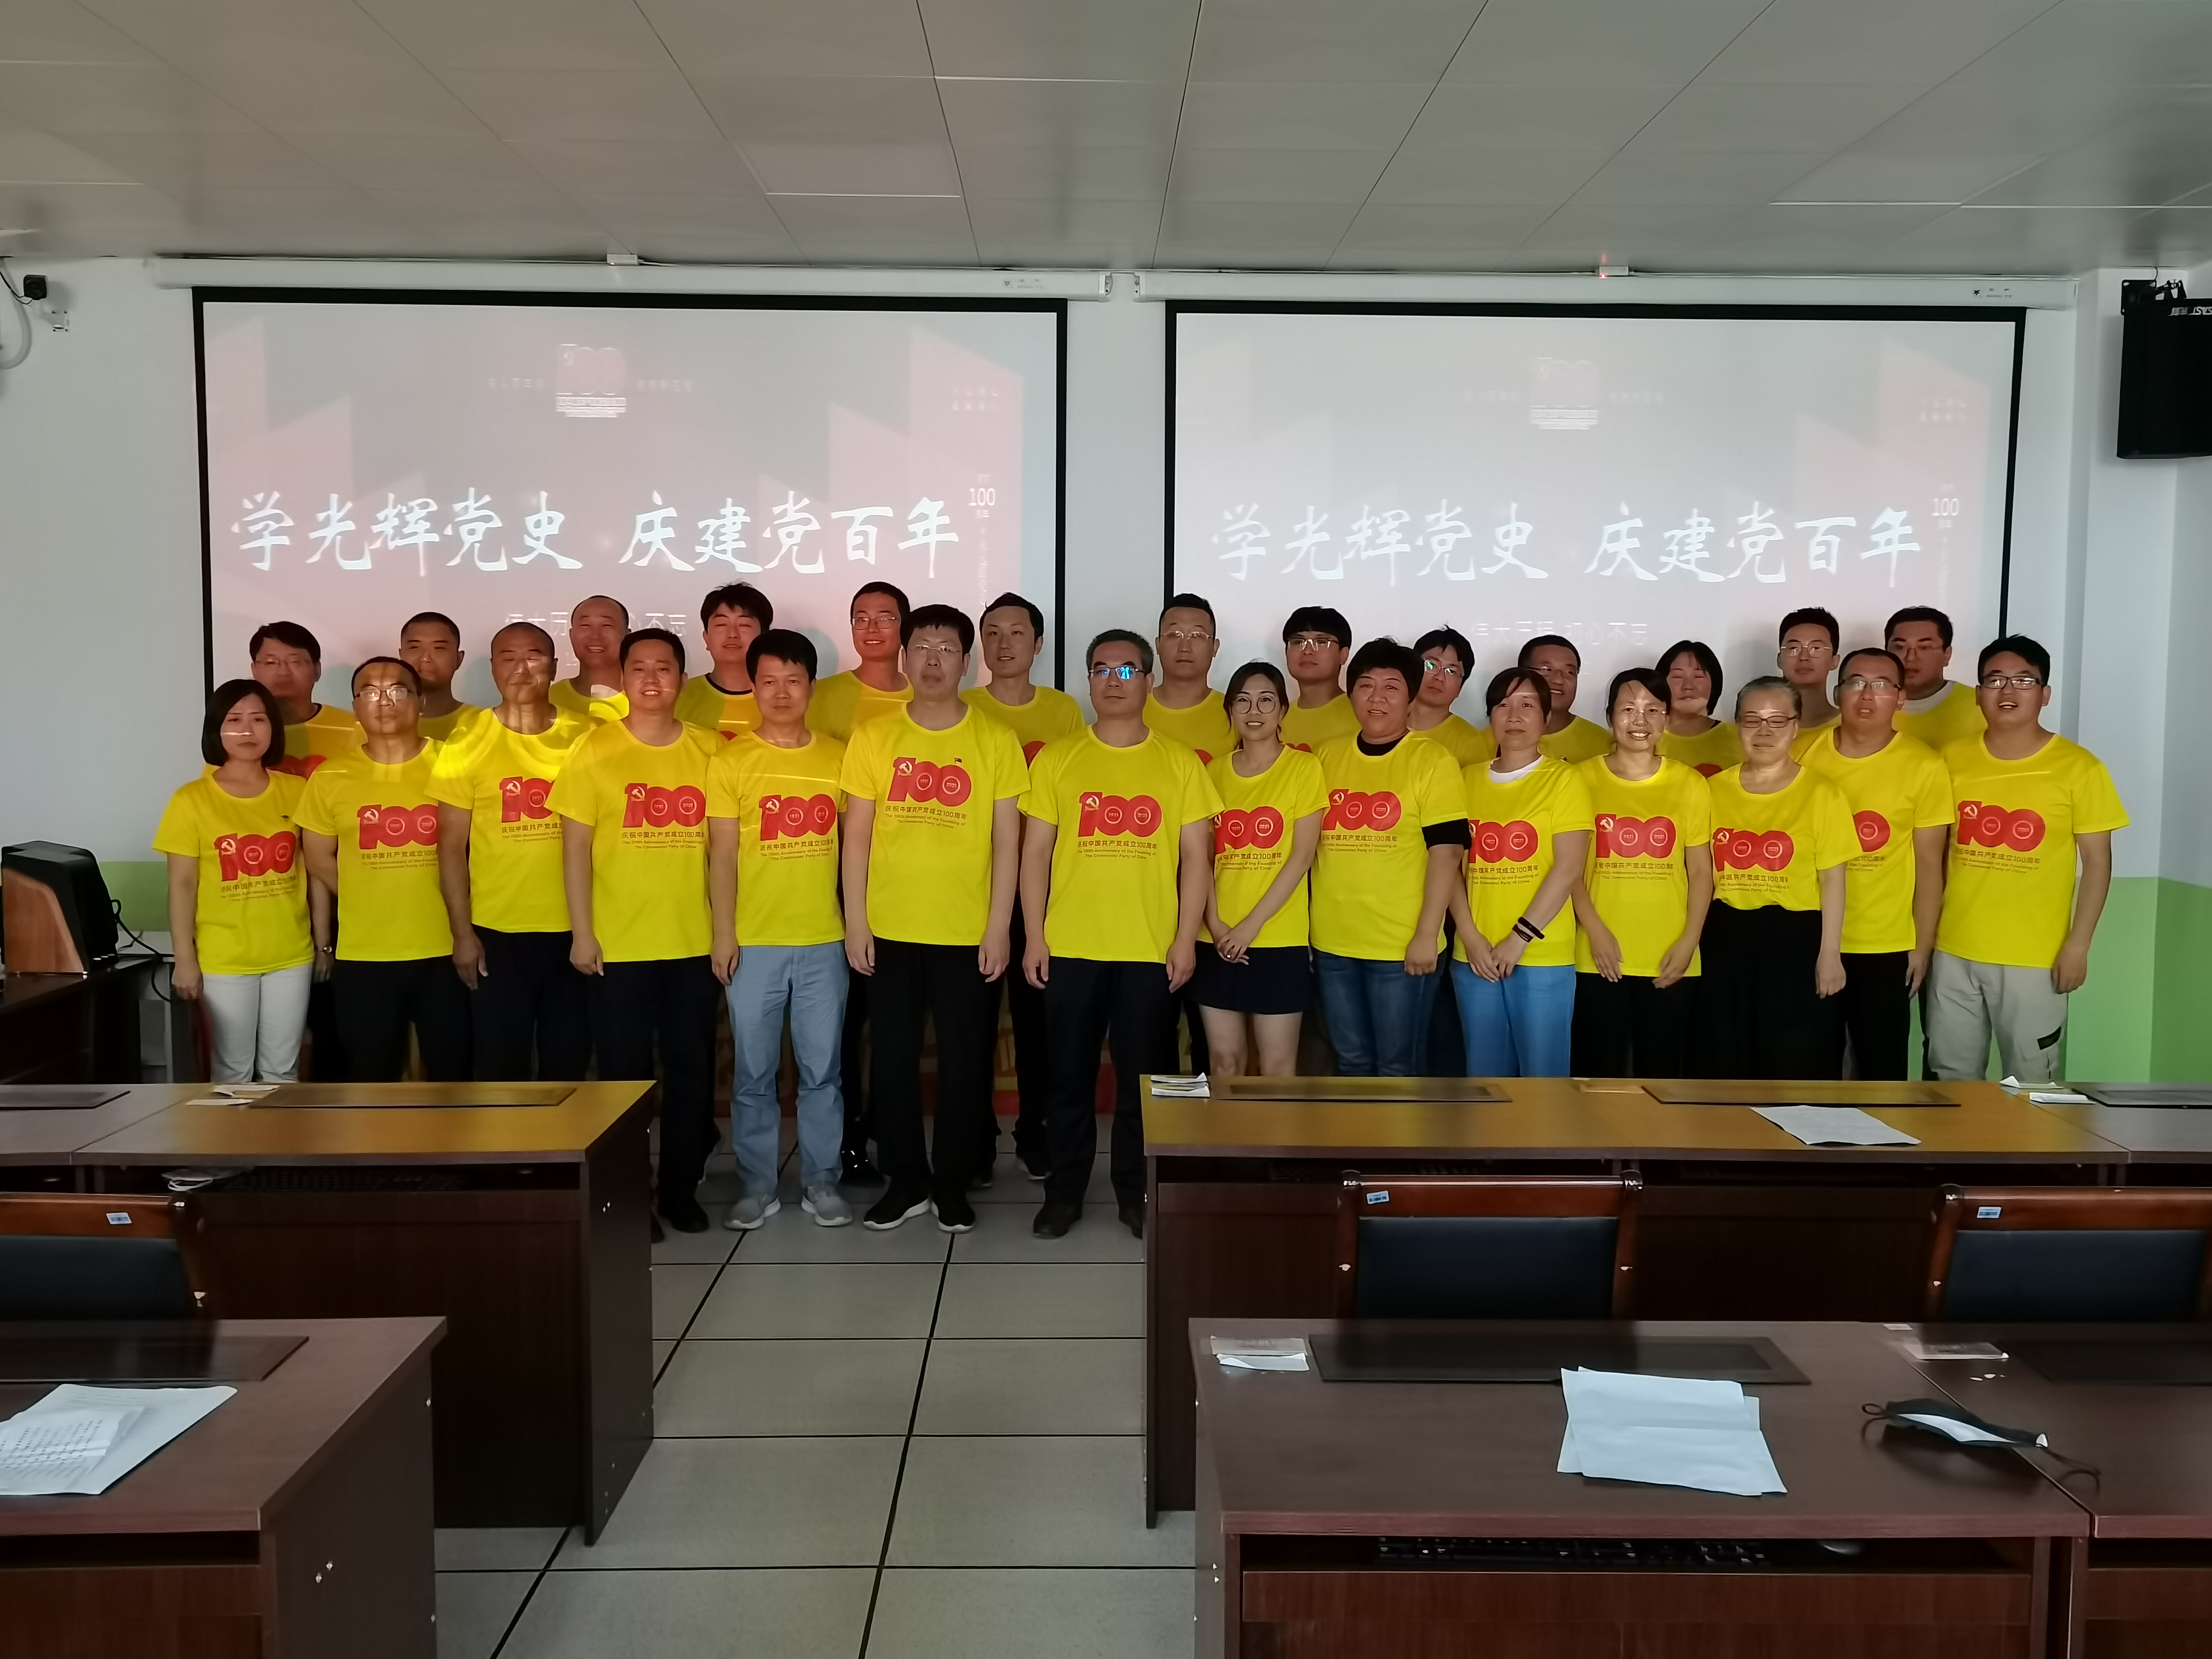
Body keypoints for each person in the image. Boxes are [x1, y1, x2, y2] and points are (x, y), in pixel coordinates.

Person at [1023, 630, 1221, 1238]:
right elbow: (1035, 855)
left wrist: (1185, 940)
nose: (1114, 680)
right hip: (1071, 947)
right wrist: (1035, 936)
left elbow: (1198, 859)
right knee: (1067, 1080)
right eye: (1102, 670)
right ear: (1088, 680)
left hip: (1149, 950)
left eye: (1128, 670)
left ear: (1148, 680)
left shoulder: (1179, 762)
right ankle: (1064, 1193)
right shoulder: (1059, 758)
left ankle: (1138, 1193)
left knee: (1147, 1086)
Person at [841, 603, 1025, 1233]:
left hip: (967, 932)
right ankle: (906, 1180)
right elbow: (856, 839)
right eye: (922, 647)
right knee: (891, 1058)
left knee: (965, 1060)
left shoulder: (994, 740)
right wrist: (857, 922)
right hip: (889, 930)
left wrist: (999, 926)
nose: (933, 660)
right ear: (905, 656)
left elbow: (1008, 842)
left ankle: (952, 1180)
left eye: (947, 649)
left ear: (967, 662)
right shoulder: (875, 736)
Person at [549, 628, 722, 1230]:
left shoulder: (709, 750)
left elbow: (724, 853)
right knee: (622, 1081)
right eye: (640, 668)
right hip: (617, 946)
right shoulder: (593, 750)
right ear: (622, 679)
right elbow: (574, 850)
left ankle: (679, 1191)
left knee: (691, 1072)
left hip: (693, 943)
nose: (652, 678)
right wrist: (582, 933)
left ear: (682, 679)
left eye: (664, 667)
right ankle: (627, 1196)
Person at [1926, 635, 2128, 1085]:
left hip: (2035, 958)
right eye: (1995, 680)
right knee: (1951, 1077)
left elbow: (2098, 864)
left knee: (2033, 1081)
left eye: (2023, 680)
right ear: (1978, 693)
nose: (2008, 690)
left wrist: (2078, 946)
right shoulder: (1951, 759)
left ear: (2045, 694)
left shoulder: (2080, 768)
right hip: (1953, 949)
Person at [708, 628, 853, 1229]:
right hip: (754, 943)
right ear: (754, 687)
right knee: (753, 1074)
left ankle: (822, 1181)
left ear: (812, 686)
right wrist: (724, 933)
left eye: (794, 680)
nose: (781, 692)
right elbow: (720, 855)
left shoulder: (839, 757)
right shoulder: (731, 761)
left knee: (823, 1073)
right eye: (768, 681)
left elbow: (857, 852)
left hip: (824, 940)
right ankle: (757, 1185)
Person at [428, 622, 592, 1081]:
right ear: (493, 669)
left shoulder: (587, 736)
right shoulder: (467, 739)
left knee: (569, 1065)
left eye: (534, 656)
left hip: (578, 928)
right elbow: (450, 846)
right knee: (501, 1068)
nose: (522, 668)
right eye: (508, 658)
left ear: (555, 667)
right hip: (496, 932)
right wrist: (462, 934)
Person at [297, 657, 469, 1083]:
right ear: (355, 706)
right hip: (365, 954)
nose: (384, 701)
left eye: (397, 690)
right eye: (370, 692)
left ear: (421, 701)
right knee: (371, 1081)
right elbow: (317, 857)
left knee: (454, 1077)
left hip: (448, 950)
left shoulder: (456, 764)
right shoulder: (331, 775)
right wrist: (367, 892)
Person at [961, 591, 1085, 1178]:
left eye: (1016, 632)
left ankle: (1035, 1131)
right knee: (974, 1023)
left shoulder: (1063, 712)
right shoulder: (962, 709)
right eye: (992, 632)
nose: (1003, 642)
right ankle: (976, 1138)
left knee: (1039, 1022)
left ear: (1038, 644)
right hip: (973, 890)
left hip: (1043, 891)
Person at [1309, 638, 1468, 1075]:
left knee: (1398, 1068)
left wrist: (1427, 935)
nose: (1377, 698)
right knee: (1352, 1062)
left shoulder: (1432, 760)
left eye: (1391, 687)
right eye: (1365, 685)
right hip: (1333, 943)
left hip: (1401, 946)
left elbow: (1447, 855)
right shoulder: (1326, 757)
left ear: (1412, 698)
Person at [1800, 648, 1953, 1079]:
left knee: (1881, 1071)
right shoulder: (1803, 753)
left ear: (1901, 698)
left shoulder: (1925, 765)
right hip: (1810, 938)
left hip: (1885, 945)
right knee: (1811, 1068)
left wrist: (1921, 946)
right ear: (1837, 693)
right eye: (1856, 683)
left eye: (1881, 685)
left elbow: (1930, 867)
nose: (1867, 695)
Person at [1697, 677, 1857, 1079]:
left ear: (1795, 726)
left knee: (1793, 1057)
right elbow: (1698, 875)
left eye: (1777, 720)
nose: (1764, 731)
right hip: (1725, 938)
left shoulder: (1823, 793)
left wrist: (1830, 954)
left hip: (1796, 940)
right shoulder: (1711, 791)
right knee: (1725, 1054)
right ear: (1737, 726)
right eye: (1752, 720)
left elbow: (1833, 881)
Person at [156, 680, 313, 1082]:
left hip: (291, 955)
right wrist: (184, 960)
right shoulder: (190, 800)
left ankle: (280, 1129)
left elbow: (313, 870)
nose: (247, 730)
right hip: (224, 958)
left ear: (274, 728)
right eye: (234, 720)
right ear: (216, 729)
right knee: (232, 1073)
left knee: (283, 1071)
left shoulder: (298, 792)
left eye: (259, 719)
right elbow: (182, 886)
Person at [815, 580, 916, 1184]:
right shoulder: (826, 696)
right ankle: (850, 1139)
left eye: (886, 616)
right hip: (841, 875)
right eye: (861, 617)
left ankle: (889, 1128)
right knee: (849, 1020)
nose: (873, 627)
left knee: (897, 1026)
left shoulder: (931, 694)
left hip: (912, 884)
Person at [1447, 667, 1592, 1078]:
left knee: (1544, 1080)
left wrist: (1519, 938)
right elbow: (1449, 866)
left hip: (1541, 954)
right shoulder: (1465, 780)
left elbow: (1568, 868)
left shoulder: (1565, 780)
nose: (1514, 715)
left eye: (1527, 705)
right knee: (1485, 1079)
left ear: (1546, 717)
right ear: (1490, 716)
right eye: (1503, 705)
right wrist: (1470, 937)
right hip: (1474, 955)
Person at [1569, 669, 1713, 1077]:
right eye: (1628, 709)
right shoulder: (1579, 779)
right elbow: (1569, 869)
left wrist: (1689, 941)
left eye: (1653, 710)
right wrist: (1596, 932)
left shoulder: (1689, 784)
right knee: (1597, 1075)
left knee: (1663, 1076)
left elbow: (1701, 871)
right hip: (1595, 953)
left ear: (1667, 718)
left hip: (1669, 953)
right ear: (1609, 717)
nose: (1640, 720)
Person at [1197, 662, 1325, 1079]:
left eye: (1266, 700)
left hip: (1277, 939)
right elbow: (1202, 859)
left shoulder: (1303, 768)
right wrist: (1217, 924)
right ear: (1230, 710)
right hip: (1216, 940)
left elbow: (1302, 857)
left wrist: (1250, 927)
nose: (1254, 711)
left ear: (1283, 710)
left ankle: (1272, 1133)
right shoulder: (1212, 772)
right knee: (1225, 1063)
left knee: (1277, 1067)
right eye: (1243, 701)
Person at [248, 620, 359, 777]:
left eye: (295, 661)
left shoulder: (354, 728)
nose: (283, 672)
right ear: (254, 670)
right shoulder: (239, 730)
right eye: (271, 662)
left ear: (317, 669)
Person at [811, 581, 914, 741]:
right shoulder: (820, 694)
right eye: (861, 620)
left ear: (906, 627)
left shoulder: (924, 694)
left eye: (884, 619)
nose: (872, 628)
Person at [675, 581, 772, 738]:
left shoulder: (788, 698)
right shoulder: (677, 696)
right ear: (706, 638)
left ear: (764, 637)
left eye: (744, 625)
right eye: (721, 624)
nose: (732, 634)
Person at [1144, 593, 1233, 763]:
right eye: (1174, 635)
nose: (1185, 647)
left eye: (1198, 636)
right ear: (1158, 645)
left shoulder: (1234, 714)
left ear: (1215, 648)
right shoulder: (1132, 708)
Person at [1887, 605, 1987, 752]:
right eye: (1900, 647)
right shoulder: (1868, 704)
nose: (1910, 657)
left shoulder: (1981, 706)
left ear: (1947, 655)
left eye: (1924, 648)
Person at [1654, 638, 1742, 778]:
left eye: (1698, 676)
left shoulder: (1740, 737)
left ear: (1714, 685)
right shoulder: (1645, 737)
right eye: (1678, 677)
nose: (1688, 686)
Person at [1518, 635, 1611, 762]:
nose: (1558, 680)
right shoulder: (1496, 737)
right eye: (1547, 670)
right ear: (1520, 675)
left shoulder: (1602, 743)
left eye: (1569, 672)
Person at [1280, 606, 1360, 752]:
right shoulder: (1276, 716)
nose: (1307, 651)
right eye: (1298, 642)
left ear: (1343, 654)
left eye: (1321, 642)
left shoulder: (1363, 713)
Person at [1409, 626, 1490, 769]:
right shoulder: (1380, 722)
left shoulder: (1470, 741)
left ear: (1461, 687)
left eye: (1451, 671)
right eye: (1431, 665)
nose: (1439, 677)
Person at [399, 612, 481, 742]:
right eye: (414, 647)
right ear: (401, 656)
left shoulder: (482, 723)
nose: (425, 658)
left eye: (439, 648)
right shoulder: (376, 723)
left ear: (458, 659)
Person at [551, 595, 630, 722]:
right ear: (572, 635)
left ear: (627, 636)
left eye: (607, 625)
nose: (595, 636)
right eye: (585, 625)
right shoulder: (547, 699)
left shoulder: (650, 700)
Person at [1777, 606, 1841, 745]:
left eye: (1816, 648)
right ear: (1780, 660)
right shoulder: (1756, 728)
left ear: (1834, 661)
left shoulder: (1850, 726)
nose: (1804, 657)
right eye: (1794, 648)